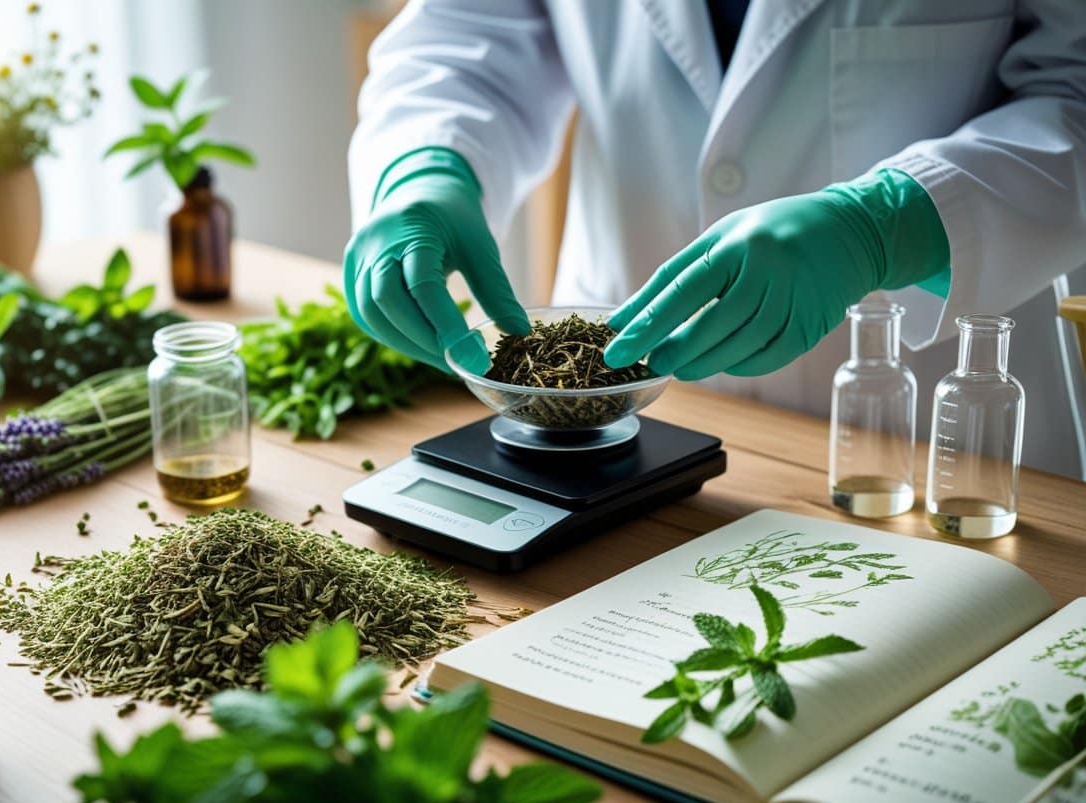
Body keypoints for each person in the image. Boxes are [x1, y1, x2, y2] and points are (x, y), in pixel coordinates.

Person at [344, 1, 1086, 478]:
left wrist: (891, 221)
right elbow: (470, 30)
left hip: (938, 441)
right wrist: (424, 164)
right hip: (617, 415)